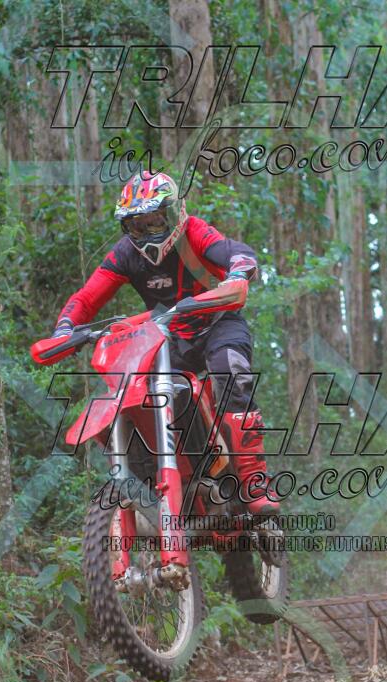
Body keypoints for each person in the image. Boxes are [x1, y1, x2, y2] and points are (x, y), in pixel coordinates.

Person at [52, 170, 278, 516]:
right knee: (134, 386)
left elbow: (234, 252)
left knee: (229, 369)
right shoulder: (126, 254)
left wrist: (237, 272)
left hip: (217, 322)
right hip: (169, 334)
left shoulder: (194, 232)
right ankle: (160, 472)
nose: (145, 233)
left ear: (173, 214)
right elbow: (86, 298)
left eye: (154, 222)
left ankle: (253, 479)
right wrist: (65, 329)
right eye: (136, 226)